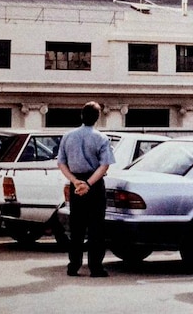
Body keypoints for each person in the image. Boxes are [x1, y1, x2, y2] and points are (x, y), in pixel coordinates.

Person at [57, 101, 115, 277]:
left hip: (76, 184)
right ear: (97, 118)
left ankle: (73, 266)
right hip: (94, 184)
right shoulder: (101, 138)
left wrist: (75, 181)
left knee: (77, 227)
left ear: (81, 116)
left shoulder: (68, 136)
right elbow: (104, 165)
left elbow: (61, 163)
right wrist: (88, 184)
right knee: (96, 228)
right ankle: (95, 267)